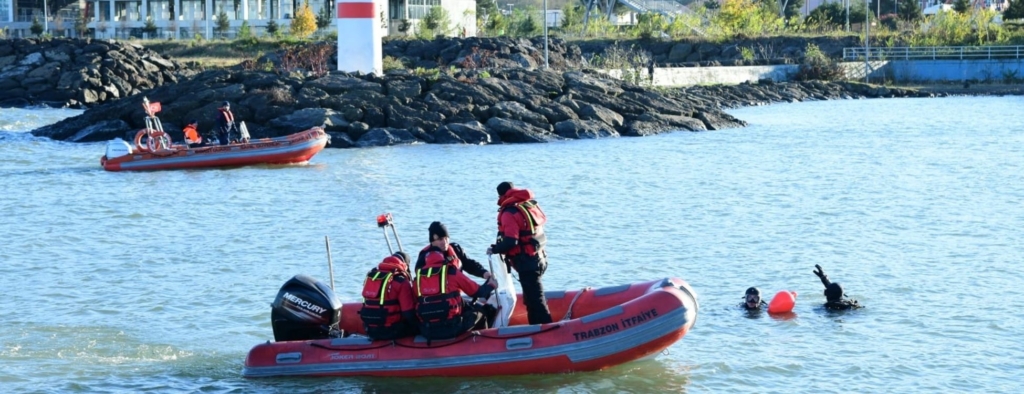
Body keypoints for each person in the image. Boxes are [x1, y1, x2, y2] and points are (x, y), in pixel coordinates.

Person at [487, 181, 553, 325]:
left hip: (526, 262)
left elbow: (511, 241)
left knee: (535, 300)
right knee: (533, 297)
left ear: (501, 195)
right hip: (539, 257)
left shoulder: (509, 212)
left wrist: (495, 249)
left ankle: (545, 330)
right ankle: (537, 327)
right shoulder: (528, 204)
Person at [414, 246, 496, 341]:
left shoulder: (418, 279)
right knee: (482, 314)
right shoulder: (452, 272)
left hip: (427, 330)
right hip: (452, 327)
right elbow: (477, 292)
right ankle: (483, 345)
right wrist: (491, 285)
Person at [359, 252, 418, 340]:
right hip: (391, 330)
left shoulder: (372, 277)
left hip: (370, 330)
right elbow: (408, 312)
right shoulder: (400, 281)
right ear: (406, 265)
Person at [415, 221, 493, 282]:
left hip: (455, 296)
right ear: (432, 241)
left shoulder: (455, 249)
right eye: (440, 239)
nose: (444, 242)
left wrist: (484, 273)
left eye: (446, 238)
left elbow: (469, 264)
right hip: (436, 297)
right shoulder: (424, 257)